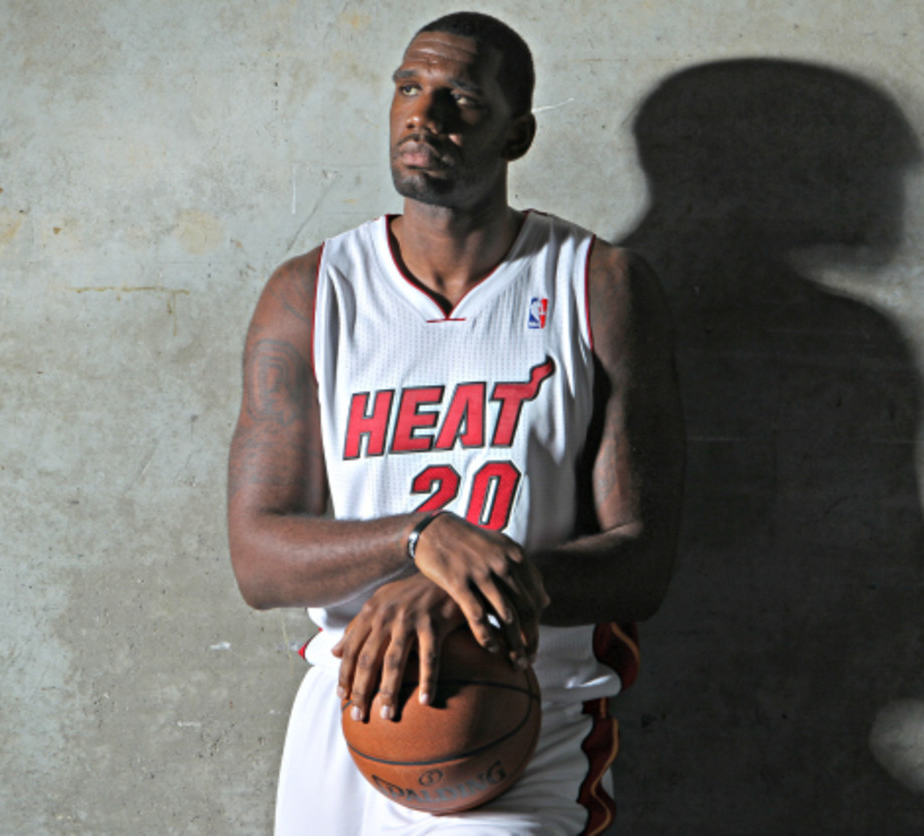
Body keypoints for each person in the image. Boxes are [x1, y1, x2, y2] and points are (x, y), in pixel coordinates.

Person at [227, 11, 684, 835]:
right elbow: (257, 557)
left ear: (517, 135)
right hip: (350, 708)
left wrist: (473, 591)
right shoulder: (310, 293)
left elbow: (642, 561)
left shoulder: (599, 286)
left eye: (462, 98)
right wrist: (420, 540)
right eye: (409, 87)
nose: (423, 115)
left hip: (520, 705)